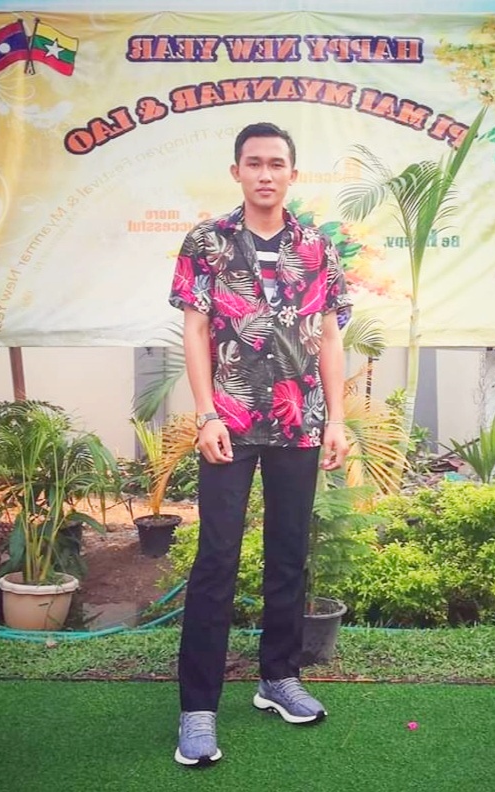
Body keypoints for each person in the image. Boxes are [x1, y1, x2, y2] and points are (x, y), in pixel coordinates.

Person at [168, 121, 352, 767]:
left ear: (292, 174)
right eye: (254, 163)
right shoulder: (207, 243)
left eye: (276, 163)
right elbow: (195, 331)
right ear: (237, 172)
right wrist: (204, 414)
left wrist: (336, 419)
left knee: (289, 554)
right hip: (229, 422)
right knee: (216, 560)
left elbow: (330, 336)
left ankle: (278, 678)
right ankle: (197, 709)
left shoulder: (318, 248)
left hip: (299, 424)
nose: (265, 173)